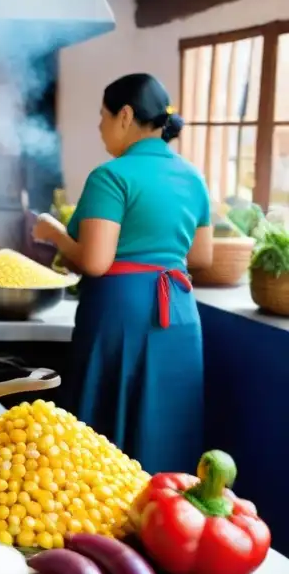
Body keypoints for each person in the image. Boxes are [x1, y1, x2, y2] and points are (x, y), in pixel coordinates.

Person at [32, 73, 213, 474]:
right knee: (167, 424)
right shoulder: (192, 176)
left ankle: (106, 523)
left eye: (102, 117)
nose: (100, 127)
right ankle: (165, 518)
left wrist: (53, 232)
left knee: (106, 435)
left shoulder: (112, 175)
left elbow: (95, 261)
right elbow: (201, 256)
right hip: (179, 314)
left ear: (125, 115)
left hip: (121, 312)